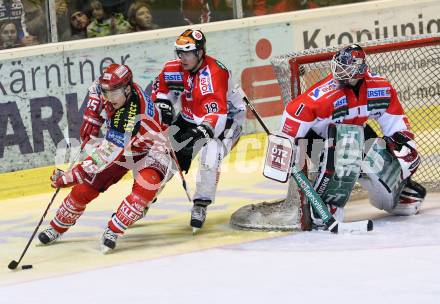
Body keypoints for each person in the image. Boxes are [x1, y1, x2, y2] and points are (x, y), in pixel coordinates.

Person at [278, 44, 426, 228]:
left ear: (361, 69)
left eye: (345, 67)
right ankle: (327, 204)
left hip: (355, 134)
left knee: (387, 183)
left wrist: (404, 145)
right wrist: (287, 142)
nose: (339, 71)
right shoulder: (326, 95)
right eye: (338, 66)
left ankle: (399, 190)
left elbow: (395, 121)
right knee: (346, 152)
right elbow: (294, 112)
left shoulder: (379, 88)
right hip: (319, 140)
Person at [38, 64, 173, 253]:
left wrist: (70, 176)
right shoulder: (120, 90)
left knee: (146, 187)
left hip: (151, 150)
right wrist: (92, 116)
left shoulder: (130, 117)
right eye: (106, 92)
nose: (108, 98)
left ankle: (114, 229)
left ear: (127, 89)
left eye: (113, 93)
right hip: (123, 148)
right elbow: (96, 87)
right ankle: (57, 226)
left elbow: (103, 157)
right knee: (85, 189)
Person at [152, 29, 246, 232]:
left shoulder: (213, 75)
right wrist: (164, 104)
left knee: (210, 153)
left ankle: (201, 204)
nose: (182, 58)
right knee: (164, 157)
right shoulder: (174, 68)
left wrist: (200, 134)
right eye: (180, 53)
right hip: (190, 116)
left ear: (200, 52)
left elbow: (217, 116)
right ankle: (147, 195)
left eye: (187, 53)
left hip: (227, 119)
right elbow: (161, 90)